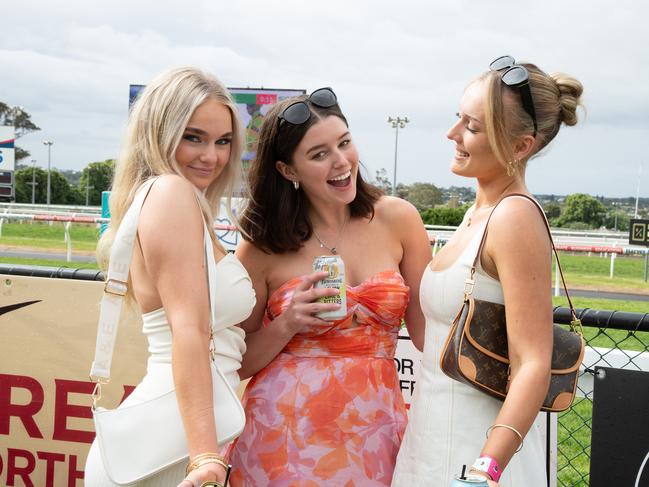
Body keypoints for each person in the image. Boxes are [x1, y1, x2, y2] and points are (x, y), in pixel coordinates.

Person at [391, 56, 584, 487]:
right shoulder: (478, 212)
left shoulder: (515, 217)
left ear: (521, 147)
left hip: (472, 456)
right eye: (458, 118)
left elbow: (533, 361)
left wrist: (486, 469)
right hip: (430, 444)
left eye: (472, 127)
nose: (452, 134)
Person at [226, 87, 431, 486]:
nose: (341, 162)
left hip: (376, 429)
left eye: (345, 143)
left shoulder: (399, 219)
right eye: (319, 155)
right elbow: (235, 362)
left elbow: (429, 335)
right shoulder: (261, 244)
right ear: (288, 171)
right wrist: (286, 324)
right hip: (281, 437)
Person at [84, 67, 256, 487]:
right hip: (174, 448)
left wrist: (288, 324)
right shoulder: (170, 194)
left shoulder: (180, 203)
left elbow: (224, 350)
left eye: (223, 141)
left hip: (178, 437)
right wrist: (203, 455)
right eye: (193, 137)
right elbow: (189, 332)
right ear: (159, 134)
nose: (211, 156)